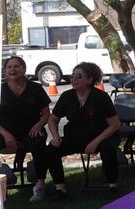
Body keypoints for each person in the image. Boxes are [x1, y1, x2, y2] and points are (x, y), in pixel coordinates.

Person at [44, 62, 121, 197]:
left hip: (101, 135)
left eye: (79, 77)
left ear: (90, 79)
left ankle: (112, 185)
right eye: (72, 77)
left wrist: (95, 142)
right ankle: (60, 188)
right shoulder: (67, 96)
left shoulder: (101, 97)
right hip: (75, 136)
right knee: (51, 149)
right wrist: (55, 136)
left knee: (108, 147)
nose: (74, 80)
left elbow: (114, 124)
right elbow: (53, 119)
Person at [0, 56, 51, 201]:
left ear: (23, 69)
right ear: (4, 71)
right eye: (9, 67)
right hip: (6, 132)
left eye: (16, 66)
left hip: (31, 130)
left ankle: (40, 184)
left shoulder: (35, 88)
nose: (13, 70)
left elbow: (47, 114)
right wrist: (6, 135)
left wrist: (38, 125)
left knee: (39, 143)